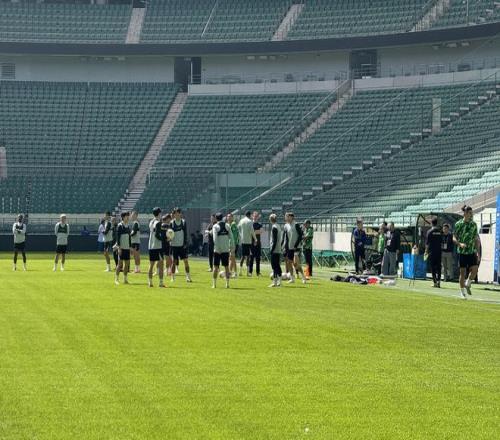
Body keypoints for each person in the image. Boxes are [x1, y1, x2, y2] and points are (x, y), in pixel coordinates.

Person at [453, 205, 481, 299]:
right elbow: (454, 237)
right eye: (469, 213)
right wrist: (459, 244)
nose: (471, 214)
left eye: (471, 213)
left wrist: (478, 252)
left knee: (475, 269)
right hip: (462, 252)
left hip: (471, 251)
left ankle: (468, 284)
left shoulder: (474, 224)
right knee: (463, 273)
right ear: (464, 213)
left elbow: (476, 239)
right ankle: (462, 293)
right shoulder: (458, 224)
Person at [283, 212, 306, 284]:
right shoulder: (286, 225)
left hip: (296, 247)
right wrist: (285, 247)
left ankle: (303, 277)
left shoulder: (296, 224)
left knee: (296, 264)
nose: (286, 218)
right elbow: (286, 237)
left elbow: (300, 235)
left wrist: (296, 245)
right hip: (290, 247)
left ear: (291, 217)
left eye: (287, 216)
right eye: (286, 216)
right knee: (289, 262)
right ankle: (292, 278)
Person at [170, 207, 192, 282]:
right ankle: (172, 277)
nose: (176, 214)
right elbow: (170, 233)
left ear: (180, 213)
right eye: (175, 213)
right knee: (174, 262)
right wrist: (169, 239)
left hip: (182, 246)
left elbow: (185, 233)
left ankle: (188, 277)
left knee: (186, 261)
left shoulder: (183, 222)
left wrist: (185, 243)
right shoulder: (172, 223)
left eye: (177, 213)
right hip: (174, 246)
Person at [211, 212, 231, 289]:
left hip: (217, 250)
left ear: (216, 218)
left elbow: (214, 239)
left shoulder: (215, 226)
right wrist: (231, 246)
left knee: (215, 267)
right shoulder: (227, 225)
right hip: (225, 249)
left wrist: (217, 248)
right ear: (222, 218)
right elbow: (231, 237)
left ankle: (214, 284)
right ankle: (227, 284)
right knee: (226, 267)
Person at [148, 207, 165, 288]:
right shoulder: (158, 222)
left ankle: (150, 282)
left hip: (151, 245)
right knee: (161, 264)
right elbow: (157, 235)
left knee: (151, 265)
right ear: (159, 213)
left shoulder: (151, 222)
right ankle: (161, 283)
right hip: (157, 246)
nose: (161, 214)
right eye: (160, 213)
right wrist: (165, 239)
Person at [114, 212, 131, 285]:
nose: (128, 218)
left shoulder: (128, 226)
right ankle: (116, 279)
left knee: (127, 264)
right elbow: (118, 238)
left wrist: (130, 247)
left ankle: (125, 279)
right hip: (121, 248)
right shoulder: (120, 225)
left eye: (128, 216)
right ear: (123, 217)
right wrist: (119, 247)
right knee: (120, 264)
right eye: (127, 216)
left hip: (127, 248)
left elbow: (129, 237)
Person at [425, 217, 442, 288]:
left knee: (433, 267)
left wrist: (426, 251)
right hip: (439, 251)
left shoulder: (429, 232)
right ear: (437, 223)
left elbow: (427, 243)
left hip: (432, 252)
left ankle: (435, 282)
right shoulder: (440, 231)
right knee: (438, 267)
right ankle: (439, 282)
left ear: (431, 223)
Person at [238, 210, 256, 276]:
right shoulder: (250, 221)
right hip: (248, 241)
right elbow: (252, 231)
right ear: (249, 215)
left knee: (243, 256)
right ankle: (247, 272)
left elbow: (238, 228)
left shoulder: (241, 220)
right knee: (248, 256)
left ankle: (240, 271)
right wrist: (255, 239)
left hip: (243, 241)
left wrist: (241, 235)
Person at [269, 214, 282, 287]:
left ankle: (275, 282)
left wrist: (272, 250)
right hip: (278, 248)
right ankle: (279, 281)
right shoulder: (278, 226)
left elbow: (274, 240)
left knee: (274, 266)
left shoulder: (274, 227)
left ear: (271, 219)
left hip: (275, 249)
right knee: (277, 265)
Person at [248, 211, 262, 276]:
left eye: (256, 216)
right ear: (252, 216)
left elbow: (261, 231)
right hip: (251, 243)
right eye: (254, 216)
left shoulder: (259, 224)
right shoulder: (250, 224)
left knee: (258, 259)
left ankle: (258, 272)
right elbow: (249, 232)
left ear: (258, 217)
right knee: (251, 258)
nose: (255, 217)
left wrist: (253, 232)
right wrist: (255, 232)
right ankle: (250, 272)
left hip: (258, 243)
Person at [160, 213, 173, 281]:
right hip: (166, 243)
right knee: (167, 257)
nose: (170, 220)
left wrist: (169, 239)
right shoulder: (168, 226)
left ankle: (165, 270)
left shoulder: (162, 225)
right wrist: (169, 239)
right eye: (169, 219)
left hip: (162, 243)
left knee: (163, 258)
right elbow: (171, 235)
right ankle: (167, 270)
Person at [227, 213, 239, 278]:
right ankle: (230, 272)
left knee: (232, 258)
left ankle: (234, 273)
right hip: (230, 243)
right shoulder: (228, 224)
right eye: (228, 216)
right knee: (231, 258)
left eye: (230, 216)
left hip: (233, 244)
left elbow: (234, 236)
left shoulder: (233, 224)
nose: (228, 217)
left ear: (232, 217)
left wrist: (233, 244)